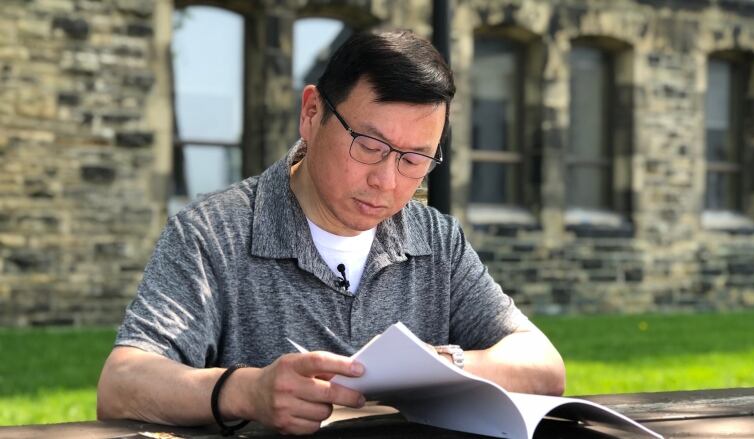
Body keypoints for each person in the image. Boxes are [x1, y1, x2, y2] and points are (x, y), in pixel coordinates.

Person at [96, 29, 565, 435]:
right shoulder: (213, 233)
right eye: (369, 145)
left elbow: (543, 367)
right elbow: (122, 385)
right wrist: (245, 391)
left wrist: (444, 367)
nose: (387, 180)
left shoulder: (436, 240)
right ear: (312, 112)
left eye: (415, 159)